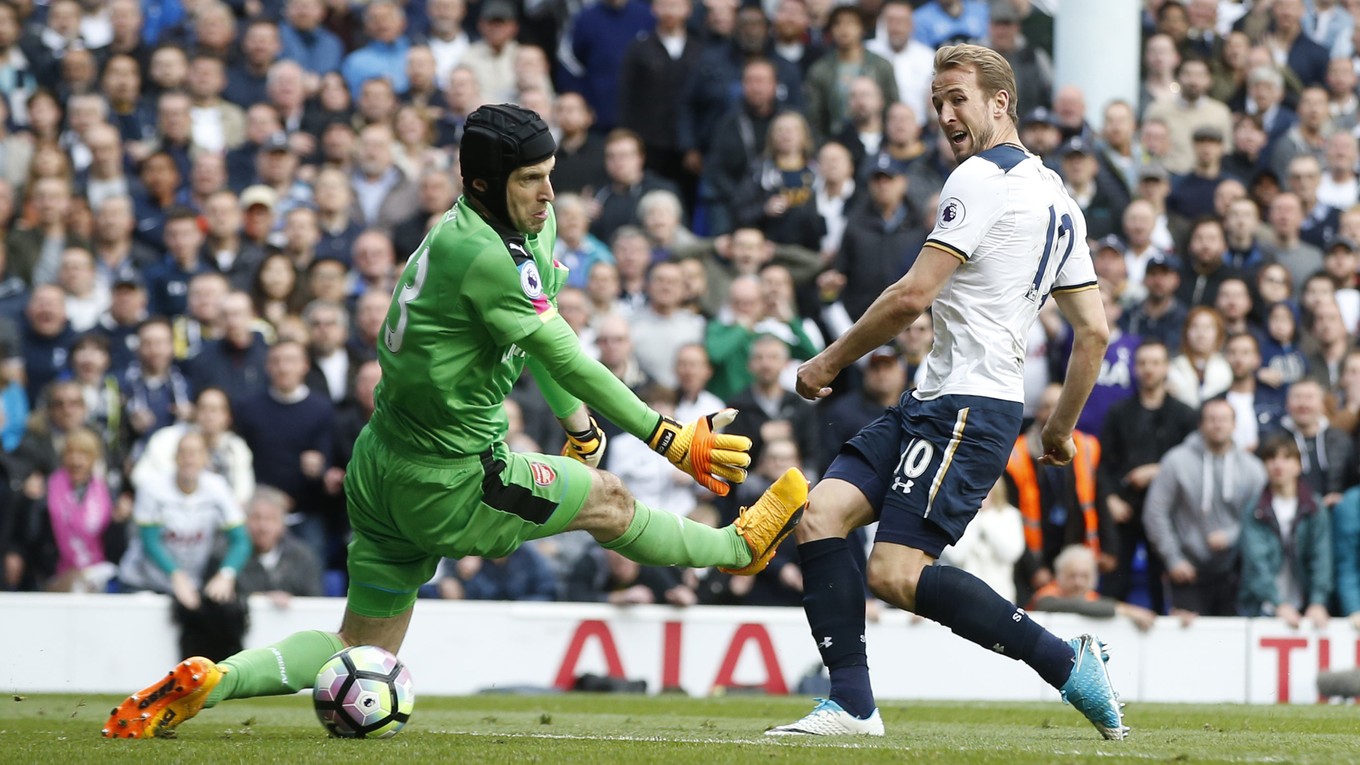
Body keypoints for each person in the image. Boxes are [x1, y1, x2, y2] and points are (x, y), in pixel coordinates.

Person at [103, 104, 806, 739]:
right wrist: (670, 437)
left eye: (551, 175)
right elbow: (567, 351)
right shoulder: (480, 252)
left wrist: (578, 425)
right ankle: (737, 551)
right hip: (452, 478)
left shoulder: (505, 228)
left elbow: (542, 342)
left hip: (379, 465)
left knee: (360, 647)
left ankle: (215, 679)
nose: (550, 194)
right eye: (532, 178)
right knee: (610, 500)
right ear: (482, 184)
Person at [767, 45, 1124, 740]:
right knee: (820, 515)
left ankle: (1066, 661)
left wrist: (828, 361)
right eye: (937, 101)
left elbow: (912, 296)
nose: (945, 113)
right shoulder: (1060, 200)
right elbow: (1094, 332)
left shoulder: (979, 178)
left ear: (1001, 102)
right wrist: (1058, 430)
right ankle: (851, 704)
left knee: (897, 573)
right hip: (937, 397)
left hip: (968, 405)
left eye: (958, 97)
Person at [1143, 399, 1267, 620]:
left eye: (1223, 420)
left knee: (1231, 644)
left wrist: (1231, 536)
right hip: (1187, 569)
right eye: (1211, 419)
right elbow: (1155, 512)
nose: (1217, 425)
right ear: (1200, 424)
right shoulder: (1176, 461)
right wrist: (1173, 559)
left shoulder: (1253, 469)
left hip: (1235, 571)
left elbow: (1260, 519)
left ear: (1234, 425)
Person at [1238, 435, 1333, 628]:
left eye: (1286, 458)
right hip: (1264, 605)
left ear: (1298, 466)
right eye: (1271, 458)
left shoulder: (1313, 507)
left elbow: (1322, 557)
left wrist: (1317, 602)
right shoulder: (1255, 509)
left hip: (1305, 604)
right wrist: (1278, 604)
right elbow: (1257, 563)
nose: (1278, 465)